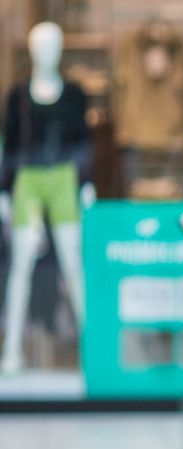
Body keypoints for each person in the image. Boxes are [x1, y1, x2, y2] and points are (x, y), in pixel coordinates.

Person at [0, 21, 94, 374]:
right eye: (40, 45)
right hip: (27, 179)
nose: (47, 52)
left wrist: (86, 181)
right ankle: (11, 350)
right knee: (20, 263)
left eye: (52, 44)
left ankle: (91, 345)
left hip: (64, 178)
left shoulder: (73, 94)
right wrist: (5, 189)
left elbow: (83, 141)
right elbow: (10, 143)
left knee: (72, 262)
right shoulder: (18, 95)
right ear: (30, 48)